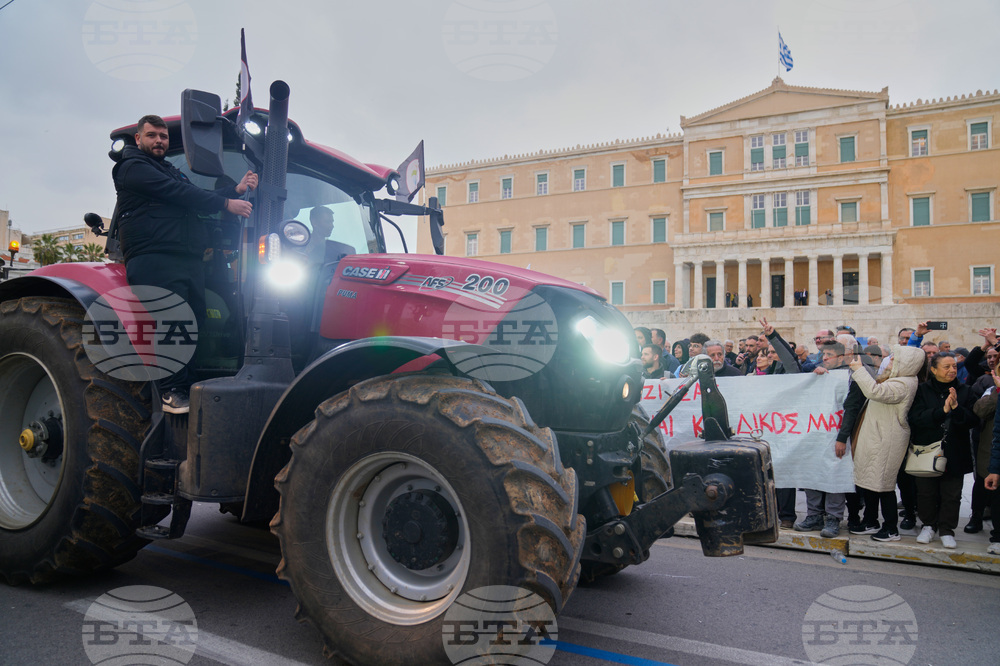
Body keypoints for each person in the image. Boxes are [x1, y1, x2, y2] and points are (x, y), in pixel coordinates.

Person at [114, 114, 257, 414]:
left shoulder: (167, 170)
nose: (159, 141)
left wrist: (235, 191)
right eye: (152, 135)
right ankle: (170, 390)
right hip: (155, 256)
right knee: (173, 321)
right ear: (138, 139)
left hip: (186, 258)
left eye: (163, 137)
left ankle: (186, 384)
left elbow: (195, 196)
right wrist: (225, 204)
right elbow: (181, 194)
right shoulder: (132, 167)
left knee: (194, 323)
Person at [845, 345, 925, 542]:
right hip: (877, 437)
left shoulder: (903, 384)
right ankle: (871, 521)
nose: (888, 361)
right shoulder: (898, 379)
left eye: (893, 358)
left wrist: (858, 369)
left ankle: (890, 528)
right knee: (870, 482)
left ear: (904, 362)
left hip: (887, 440)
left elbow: (874, 392)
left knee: (884, 484)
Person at [907, 352, 977, 549]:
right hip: (926, 450)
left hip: (955, 451)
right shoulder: (921, 390)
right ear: (934, 369)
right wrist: (942, 411)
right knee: (926, 492)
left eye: (954, 366)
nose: (952, 370)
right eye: (946, 367)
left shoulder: (966, 391)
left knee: (952, 494)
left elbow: (973, 420)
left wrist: (956, 408)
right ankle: (928, 525)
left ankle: (947, 530)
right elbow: (915, 419)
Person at [795, 339, 850, 537]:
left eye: (829, 355)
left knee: (835, 475)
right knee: (812, 474)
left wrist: (842, 437)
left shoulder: (848, 377)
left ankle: (833, 518)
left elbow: (850, 410)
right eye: (823, 355)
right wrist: (812, 377)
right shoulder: (817, 373)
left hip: (837, 436)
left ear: (841, 357)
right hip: (814, 435)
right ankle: (814, 516)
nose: (824, 358)